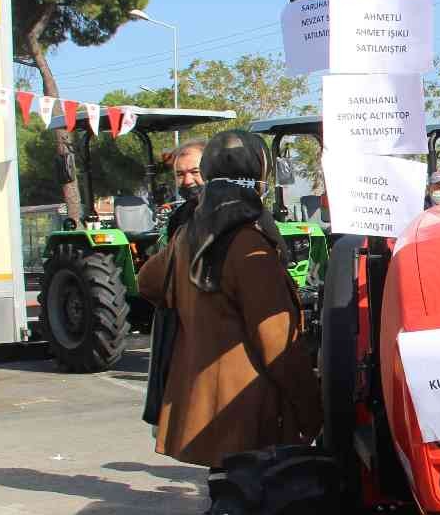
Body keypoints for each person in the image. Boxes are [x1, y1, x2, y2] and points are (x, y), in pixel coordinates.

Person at [136, 130, 320, 467]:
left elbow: (147, 282)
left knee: (225, 498)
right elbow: (278, 346)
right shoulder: (248, 245)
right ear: (257, 177)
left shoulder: (186, 237)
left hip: (204, 407)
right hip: (249, 411)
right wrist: (314, 413)